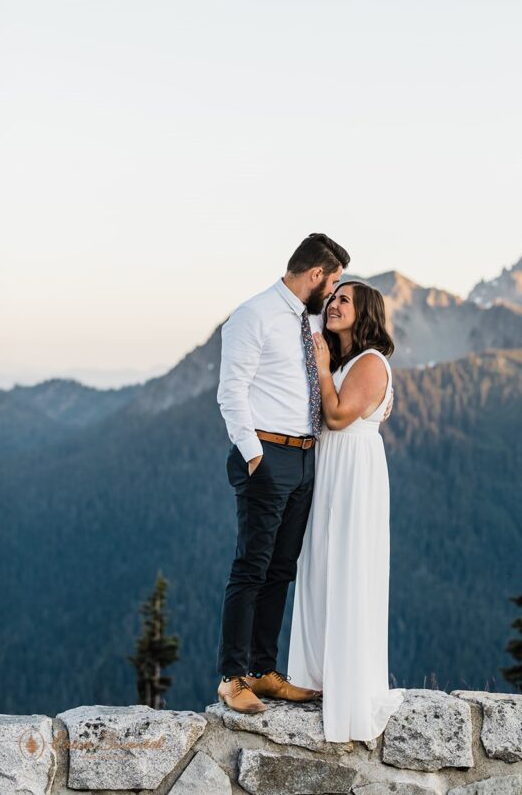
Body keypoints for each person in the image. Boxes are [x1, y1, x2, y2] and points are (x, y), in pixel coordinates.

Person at [215, 233, 350, 712]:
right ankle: (233, 679)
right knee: (250, 567)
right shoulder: (253, 316)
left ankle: (263, 670)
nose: (332, 292)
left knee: (280, 570)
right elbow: (231, 391)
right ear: (315, 275)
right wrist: (254, 456)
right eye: (332, 282)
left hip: (305, 456)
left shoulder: (307, 319)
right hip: (267, 454)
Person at [287, 280, 405, 742]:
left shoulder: (371, 363)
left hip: (354, 473)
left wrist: (318, 366)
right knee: (320, 565)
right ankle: (317, 677)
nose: (334, 304)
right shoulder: (344, 360)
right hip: (331, 468)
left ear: (366, 313)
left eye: (344, 301)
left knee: (348, 568)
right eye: (333, 298)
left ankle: (349, 690)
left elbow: (337, 417)